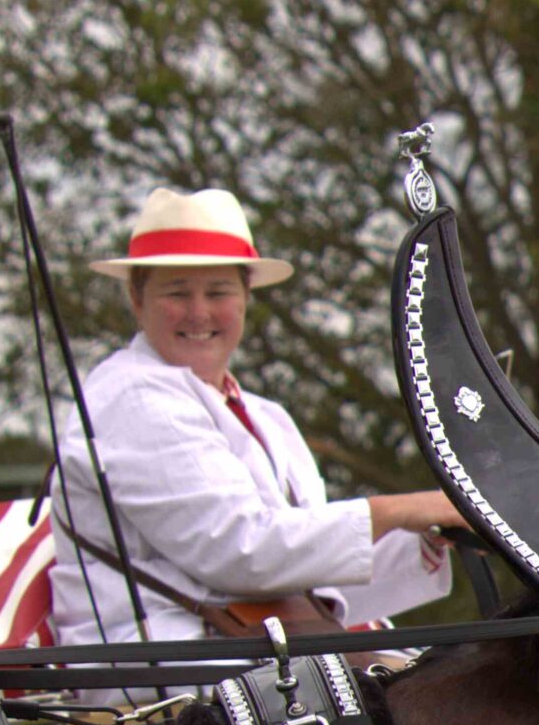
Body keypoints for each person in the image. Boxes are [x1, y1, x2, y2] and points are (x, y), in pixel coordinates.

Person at [49, 187, 456, 669]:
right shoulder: (131, 398)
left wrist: (432, 533)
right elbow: (243, 552)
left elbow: (310, 578)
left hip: (257, 648)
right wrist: (405, 508)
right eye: (177, 292)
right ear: (137, 299)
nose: (199, 313)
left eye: (218, 292)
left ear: (245, 298)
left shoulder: (267, 416)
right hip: (166, 658)